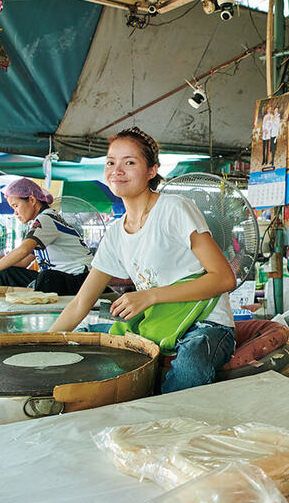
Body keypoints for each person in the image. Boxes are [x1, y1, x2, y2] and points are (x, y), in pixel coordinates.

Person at [50, 127, 237, 393]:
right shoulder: (115, 234)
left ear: (151, 171)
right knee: (104, 367)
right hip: (158, 324)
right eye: (111, 162)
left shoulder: (174, 209)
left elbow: (224, 277)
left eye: (129, 162)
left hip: (207, 325)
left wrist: (149, 296)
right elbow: (81, 302)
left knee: (190, 366)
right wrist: (45, 341)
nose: (117, 170)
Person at [0, 179, 94, 296]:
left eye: (16, 206)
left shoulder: (46, 219)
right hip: (62, 279)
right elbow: (23, 261)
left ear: (32, 200)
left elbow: (23, 251)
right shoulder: (42, 223)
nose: (15, 213)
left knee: (46, 277)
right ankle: (1, 313)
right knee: (6, 273)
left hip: (81, 279)